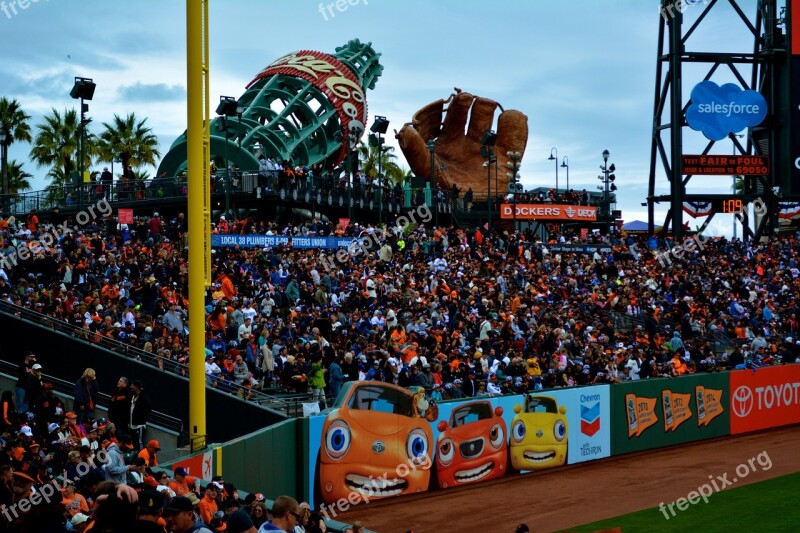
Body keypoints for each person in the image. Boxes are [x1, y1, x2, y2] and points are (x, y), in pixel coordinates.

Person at [129, 380, 152, 450]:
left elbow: (149, 407)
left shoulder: (143, 397)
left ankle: (140, 457)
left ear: (136, 387)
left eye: (132, 385)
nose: (131, 387)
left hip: (139, 425)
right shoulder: (132, 396)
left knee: (139, 442)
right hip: (131, 425)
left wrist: (141, 416)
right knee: (132, 443)